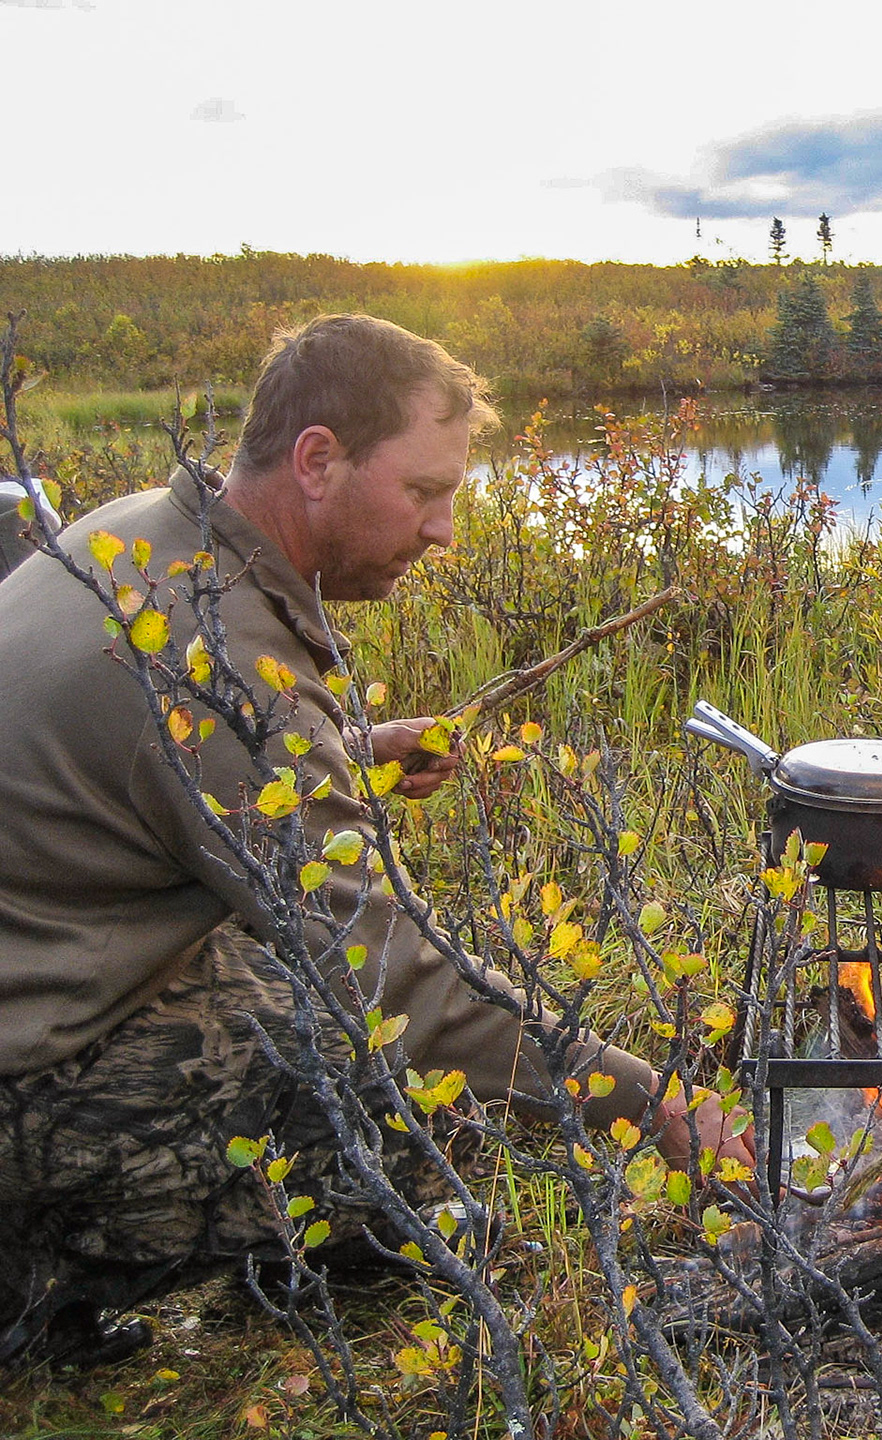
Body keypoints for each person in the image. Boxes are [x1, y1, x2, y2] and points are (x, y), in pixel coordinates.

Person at [0, 314, 739, 1366]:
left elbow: (167, 774)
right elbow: (400, 982)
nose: (444, 532)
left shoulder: (148, 539)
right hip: (27, 1059)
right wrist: (648, 1098)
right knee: (390, 1090)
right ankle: (35, 1284)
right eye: (424, 491)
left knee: (307, 998)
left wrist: (346, 752)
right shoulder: (221, 663)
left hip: (49, 962)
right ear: (317, 461)